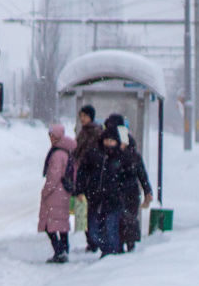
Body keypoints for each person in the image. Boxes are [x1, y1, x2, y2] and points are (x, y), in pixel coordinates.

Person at [76, 116, 139, 257]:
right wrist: (80, 190)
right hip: (95, 200)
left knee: (111, 229)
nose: (108, 143)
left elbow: (130, 177)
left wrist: (121, 191)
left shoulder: (123, 157)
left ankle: (111, 255)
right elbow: (82, 172)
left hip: (114, 201)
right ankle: (107, 251)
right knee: (93, 232)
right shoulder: (94, 155)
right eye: (106, 140)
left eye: (111, 140)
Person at [103, 113, 153, 251]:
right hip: (123, 190)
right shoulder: (110, 144)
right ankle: (124, 246)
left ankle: (127, 246)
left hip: (127, 190)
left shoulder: (125, 145)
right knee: (124, 219)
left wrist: (147, 189)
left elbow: (139, 169)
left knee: (126, 219)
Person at [38, 123, 77, 262]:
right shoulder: (66, 151)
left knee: (50, 225)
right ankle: (64, 250)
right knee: (61, 223)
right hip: (63, 192)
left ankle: (59, 251)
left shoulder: (57, 154)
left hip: (55, 193)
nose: (50, 138)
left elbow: (53, 176)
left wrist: (45, 191)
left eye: (52, 135)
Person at [72, 106, 103, 252]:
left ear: (91, 116)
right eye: (81, 116)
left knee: (91, 211)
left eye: (84, 116)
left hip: (91, 175)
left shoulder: (94, 132)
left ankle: (94, 240)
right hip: (86, 174)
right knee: (87, 211)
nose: (82, 119)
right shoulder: (85, 131)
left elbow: (82, 152)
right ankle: (92, 239)